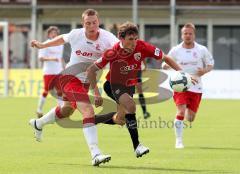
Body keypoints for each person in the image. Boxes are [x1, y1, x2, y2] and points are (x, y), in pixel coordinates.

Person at [29, 9, 119, 166]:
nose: (91, 26)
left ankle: (39, 123)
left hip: (85, 82)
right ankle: (95, 153)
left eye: (94, 22)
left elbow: (119, 49)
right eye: (88, 23)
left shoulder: (107, 38)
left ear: (99, 22)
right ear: (83, 24)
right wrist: (43, 45)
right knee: (88, 111)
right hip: (69, 78)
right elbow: (61, 39)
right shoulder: (77, 34)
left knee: (67, 110)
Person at [87, 21, 183, 158]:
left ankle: (93, 120)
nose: (134, 42)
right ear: (121, 38)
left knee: (120, 119)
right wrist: (96, 93)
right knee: (131, 106)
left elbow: (165, 57)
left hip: (129, 86)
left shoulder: (142, 46)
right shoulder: (112, 52)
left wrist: (182, 72)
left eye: (135, 39)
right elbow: (90, 70)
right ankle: (137, 146)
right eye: (130, 39)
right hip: (112, 85)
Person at [163, 23, 214, 149]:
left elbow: (210, 64)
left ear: (194, 35)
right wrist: (166, 65)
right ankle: (179, 141)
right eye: (185, 33)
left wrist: (204, 71)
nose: (188, 35)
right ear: (182, 35)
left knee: (190, 118)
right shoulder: (176, 50)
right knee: (180, 110)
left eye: (190, 33)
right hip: (180, 85)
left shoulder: (202, 50)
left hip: (196, 87)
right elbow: (166, 63)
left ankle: (184, 114)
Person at [36, 26, 65, 118]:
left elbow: (60, 57)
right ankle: (39, 110)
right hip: (49, 72)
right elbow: (40, 58)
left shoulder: (60, 44)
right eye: (52, 33)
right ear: (48, 34)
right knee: (46, 91)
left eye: (55, 33)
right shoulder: (45, 44)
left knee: (60, 91)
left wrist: (64, 67)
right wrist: (52, 59)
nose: (54, 34)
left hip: (59, 71)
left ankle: (61, 110)